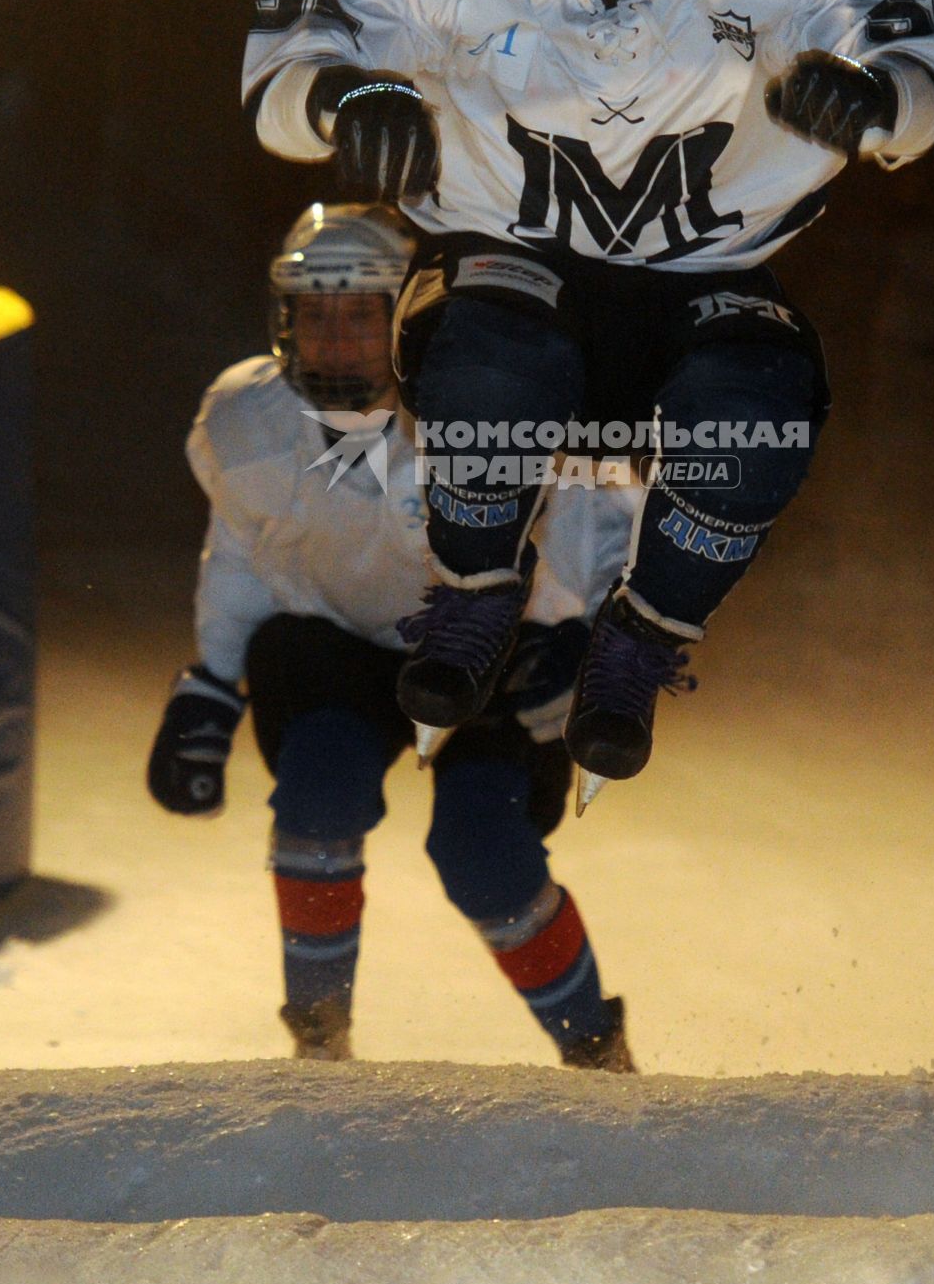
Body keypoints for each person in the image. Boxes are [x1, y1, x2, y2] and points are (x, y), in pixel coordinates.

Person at [242, 0, 934, 806]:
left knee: (755, 407)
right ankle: (476, 589)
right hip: (504, 263)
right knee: (493, 360)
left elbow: (924, 57)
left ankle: (644, 636)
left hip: (702, 279)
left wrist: (880, 98)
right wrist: (342, 97)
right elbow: (297, 39)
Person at [146, 204, 639, 1067]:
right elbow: (242, 551)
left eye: (362, 315)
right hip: (336, 647)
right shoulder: (247, 417)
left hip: (490, 650)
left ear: (408, 315)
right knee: (319, 789)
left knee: (483, 850)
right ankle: (320, 1043)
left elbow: (601, 521)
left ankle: (596, 1051)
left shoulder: (498, 402)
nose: (336, 341)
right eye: (316, 314)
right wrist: (211, 686)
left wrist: (585, 645)